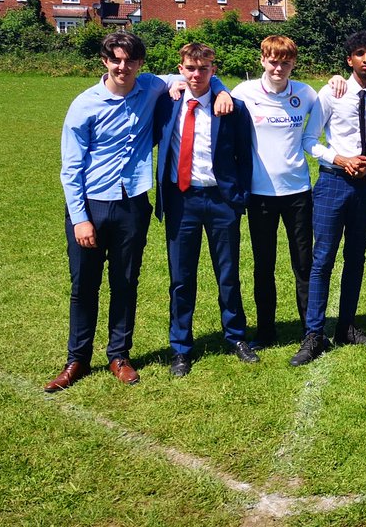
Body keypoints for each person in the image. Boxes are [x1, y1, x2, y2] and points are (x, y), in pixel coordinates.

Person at [47, 31, 232, 392]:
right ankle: (77, 359)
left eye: (130, 61)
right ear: (105, 61)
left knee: (125, 283)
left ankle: (119, 355)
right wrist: (80, 218)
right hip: (91, 206)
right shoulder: (84, 105)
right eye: (116, 59)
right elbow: (70, 168)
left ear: (140, 64)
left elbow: (199, 74)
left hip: (133, 204)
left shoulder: (150, 87)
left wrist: (223, 89)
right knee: (83, 286)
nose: (123, 66)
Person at [232, 36, 345, 350]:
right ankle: (266, 331)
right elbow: (214, 94)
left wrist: (336, 78)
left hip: (298, 192)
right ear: (262, 60)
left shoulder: (305, 93)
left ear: (293, 63)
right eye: (273, 61)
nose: (278, 67)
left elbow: (330, 96)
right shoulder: (244, 93)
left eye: (285, 62)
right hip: (260, 194)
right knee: (263, 264)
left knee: (303, 264)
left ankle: (310, 331)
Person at [291, 31, 366, 366]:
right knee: (322, 259)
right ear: (349, 59)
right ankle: (313, 333)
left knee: (356, 257)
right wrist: (340, 159)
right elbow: (309, 139)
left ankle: (347, 326)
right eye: (360, 54)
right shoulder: (331, 93)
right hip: (333, 183)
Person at [155, 42, 257, 378]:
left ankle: (236, 336)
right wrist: (171, 84)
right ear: (181, 70)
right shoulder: (166, 103)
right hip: (181, 199)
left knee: (227, 275)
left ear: (213, 70)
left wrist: (237, 197)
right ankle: (181, 348)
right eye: (190, 68)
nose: (197, 74)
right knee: (181, 278)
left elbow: (246, 155)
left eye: (204, 69)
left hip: (220, 200)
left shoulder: (231, 107)